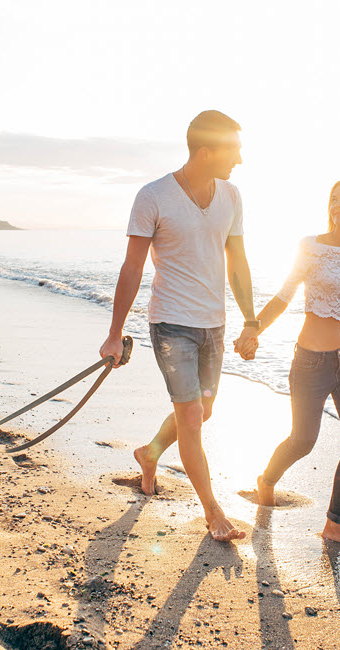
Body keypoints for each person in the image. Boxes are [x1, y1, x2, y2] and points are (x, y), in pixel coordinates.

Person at [99, 110, 257, 542]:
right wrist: (115, 333)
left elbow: (237, 261)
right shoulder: (154, 196)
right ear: (206, 152)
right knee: (190, 416)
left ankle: (148, 453)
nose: (240, 160)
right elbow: (132, 268)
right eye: (234, 150)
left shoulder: (232, 195)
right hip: (171, 326)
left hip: (215, 326)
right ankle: (213, 512)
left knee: (201, 412)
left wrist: (250, 319)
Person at [234, 180, 340, 551]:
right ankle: (267, 480)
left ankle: (334, 525)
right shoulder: (310, 246)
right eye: (334, 198)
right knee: (303, 441)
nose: (339, 203)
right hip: (311, 362)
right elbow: (284, 296)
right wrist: (254, 329)